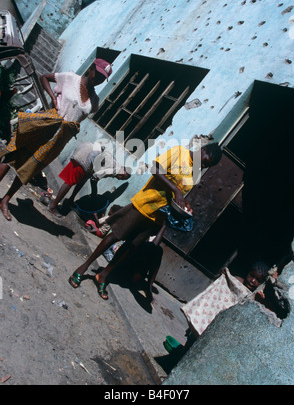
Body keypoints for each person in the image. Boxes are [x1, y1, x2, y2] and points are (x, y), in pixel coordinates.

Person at [69, 142, 222, 299]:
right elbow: (155, 168)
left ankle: (104, 275)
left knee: (130, 246)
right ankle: (83, 267)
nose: (202, 165)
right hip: (143, 205)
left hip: (158, 216)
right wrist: (176, 190)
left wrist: (186, 206)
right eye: (204, 160)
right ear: (202, 150)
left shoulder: (192, 174)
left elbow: (178, 197)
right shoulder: (179, 152)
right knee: (115, 235)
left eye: (205, 166)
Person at [0, 58, 112, 221]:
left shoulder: (94, 102)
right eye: (99, 74)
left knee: (30, 168)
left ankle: (5, 200)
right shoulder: (70, 78)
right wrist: (52, 98)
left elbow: (80, 116)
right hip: (45, 125)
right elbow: (44, 77)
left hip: (58, 138)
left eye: (103, 78)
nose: (99, 79)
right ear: (91, 69)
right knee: (12, 156)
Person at [49, 141, 131, 217]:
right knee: (70, 182)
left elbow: (93, 175)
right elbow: (94, 179)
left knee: (83, 179)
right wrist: (94, 194)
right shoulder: (113, 169)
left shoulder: (115, 166)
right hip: (86, 155)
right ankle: (53, 206)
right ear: (122, 169)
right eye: (122, 176)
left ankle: (70, 200)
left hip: (87, 150)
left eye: (122, 179)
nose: (120, 178)